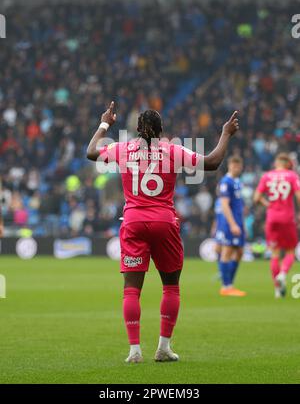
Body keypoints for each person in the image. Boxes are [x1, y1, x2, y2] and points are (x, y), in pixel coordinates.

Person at [87, 102, 239, 363]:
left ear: (137, 129)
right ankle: (163, 348)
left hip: (133, 221)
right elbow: (212, 162)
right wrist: (225, 133)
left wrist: (104, 124)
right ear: (161, 130)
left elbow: (91, 152)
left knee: (131, 291)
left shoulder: (123, 149)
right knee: (170, 287)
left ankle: (134, 351)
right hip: (164, 222)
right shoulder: (172, 150)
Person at [254, 153, 300, 298]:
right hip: (287, 218)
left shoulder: (267, 176)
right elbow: (299, 196)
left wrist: (268, 204)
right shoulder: (292, 175)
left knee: (274, 252)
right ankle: (283, 274)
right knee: (290, 251)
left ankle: (277, 290)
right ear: (287, 164)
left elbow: (256, 198)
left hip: (272, 218)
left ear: (276, 163)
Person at [217, 156, 246, 297]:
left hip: (239, 222)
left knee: (240, 252)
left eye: (238, 166)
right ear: (229, 166)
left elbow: (239, 206)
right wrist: (233, 223)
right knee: (227, 251)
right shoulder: (225, 182)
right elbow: (224, 205)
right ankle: (226, 286)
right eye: (234, 166)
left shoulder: (238, 182)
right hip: (230, 223)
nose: (236, 168)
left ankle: (230, 283)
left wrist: (242, 224)